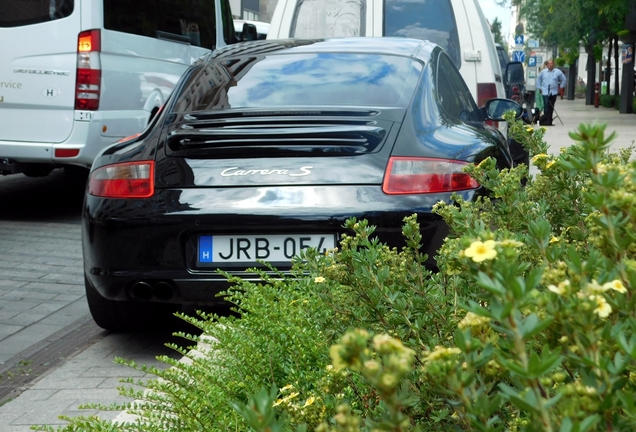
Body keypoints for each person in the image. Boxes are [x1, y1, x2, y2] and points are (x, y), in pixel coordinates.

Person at [536, 59, 566, 126]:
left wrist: (561, 87)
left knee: (551, 105)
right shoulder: (543, 72)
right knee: (546, 105)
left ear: (553, 64)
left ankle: (549, 119)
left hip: (554, 92)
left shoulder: (557, 72)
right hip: (545, 91)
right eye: (549, 63)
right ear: (547, 65)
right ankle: (545, 119)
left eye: (551, 63)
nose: (550, 65)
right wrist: (539, 87)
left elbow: (564, 79)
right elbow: (538, 79)